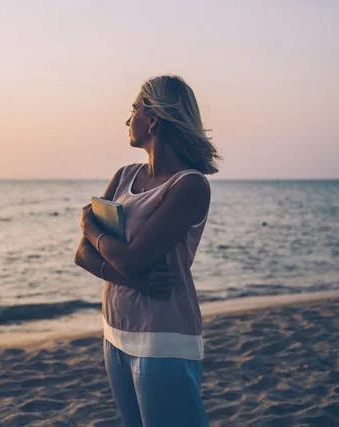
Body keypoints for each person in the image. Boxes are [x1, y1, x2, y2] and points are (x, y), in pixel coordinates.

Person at [74, 74, 220, 426]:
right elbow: (82, 255)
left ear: (152, 118)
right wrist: (135, 281)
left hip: (162, 337)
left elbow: (131, 257)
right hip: (114, 328)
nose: (128, 120)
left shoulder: (189, 186)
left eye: (134, 109)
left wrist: (90, 226)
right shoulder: (124, 176)